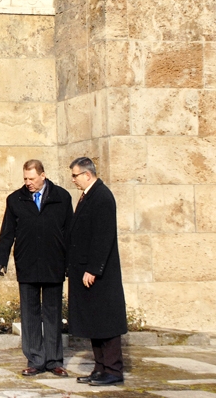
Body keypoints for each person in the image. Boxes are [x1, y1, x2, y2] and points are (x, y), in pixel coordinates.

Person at [0, 159, 73, 377]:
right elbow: (7, 232)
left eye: (31, 178)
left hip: (53, 263)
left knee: (52, 314)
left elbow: (70, 233)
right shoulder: (15, 199)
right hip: (27, 263)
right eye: (25, 179)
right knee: (29, 314)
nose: (28, 182)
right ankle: (35, 359)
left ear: (43, 175)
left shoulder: (62, 197)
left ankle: (54, 360)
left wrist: (71, 263)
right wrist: (1, 259)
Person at [67, 157, 128, 386]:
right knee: (95, 322)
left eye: (75, 175)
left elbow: (103, 236)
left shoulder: (102, 196)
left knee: (106, 322)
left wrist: (93, 268)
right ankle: (100, 367)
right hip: (86, 271)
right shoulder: (87, 196)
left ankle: (113, 369)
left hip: (99, 275)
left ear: (87, 175)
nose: (73, 180)